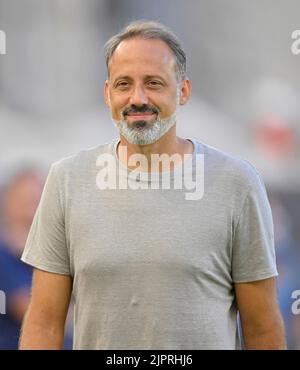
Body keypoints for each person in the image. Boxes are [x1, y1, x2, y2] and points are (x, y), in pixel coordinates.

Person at [19, 20, 285, 350]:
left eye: (154, 83)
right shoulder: (67, 180)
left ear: (183, 91)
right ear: (107, 94)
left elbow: (262, 330)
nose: (138, 98)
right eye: (123, 84)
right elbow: (44, 325)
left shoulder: (237, 183)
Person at [0, 169, 43, 349]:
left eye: (39, 201)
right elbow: (32, 312)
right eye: (27, 202)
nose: (32, 211)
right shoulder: (4, 253)